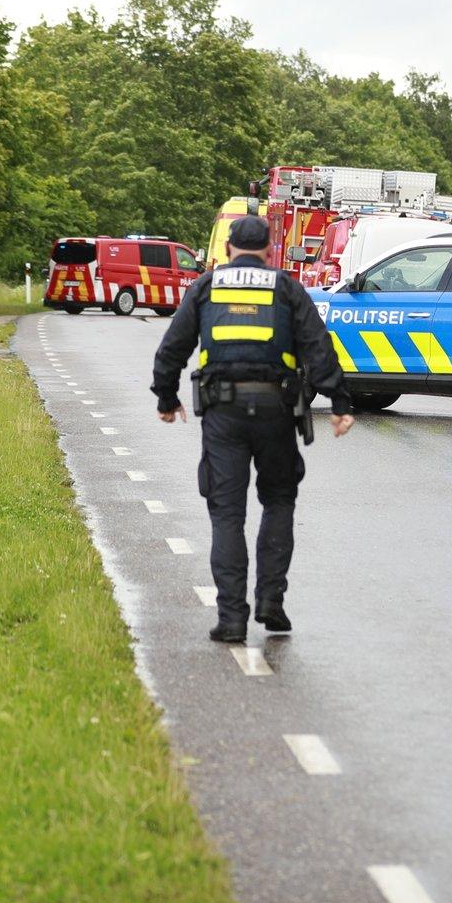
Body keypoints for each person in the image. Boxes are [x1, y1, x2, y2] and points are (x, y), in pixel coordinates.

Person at [151, 214, 354, 642]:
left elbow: (174, 346)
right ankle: (271, 602)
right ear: (268, 251)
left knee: (227, 513)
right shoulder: (285, 287)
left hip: (223, 414)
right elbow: (318, 346)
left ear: (227, 250)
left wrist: (166, 398)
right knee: (279, 501)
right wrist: (338, 402)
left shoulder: (206, 287)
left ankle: (231, 620)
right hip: (276, 410)